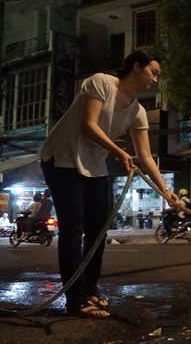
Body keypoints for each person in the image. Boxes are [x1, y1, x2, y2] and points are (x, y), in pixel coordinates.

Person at [38, 50, 179, 319]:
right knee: (73, 227)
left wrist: (165, 190)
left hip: (94, 163)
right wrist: (119, 152)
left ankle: (90, 289)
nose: (155, 79)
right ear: (136, 67)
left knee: (98, 229)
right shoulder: (101, 82)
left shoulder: (137, 111)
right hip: (62, 157)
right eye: (153, 72)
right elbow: (89, 124)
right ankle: (76, 300)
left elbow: (146, 156)